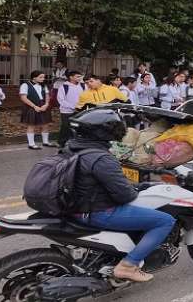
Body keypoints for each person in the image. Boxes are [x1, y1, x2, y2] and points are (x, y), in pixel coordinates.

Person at [68, 109, 175, 282]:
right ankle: (128, 265)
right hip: (96, 211)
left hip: (73, 207)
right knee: (165, 220)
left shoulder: (72, 148)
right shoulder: (102, 158)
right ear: (103, 132)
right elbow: (125, 195)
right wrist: (139, 189)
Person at [19, 70, 54, 150]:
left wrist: (46, 104)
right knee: (31, 125)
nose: (43, 79)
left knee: (45, 124)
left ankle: (46, 142)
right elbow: (23, 98)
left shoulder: (44, 85)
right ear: (34, 77)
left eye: (43, 77)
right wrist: (34, 106)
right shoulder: (25, 85)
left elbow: (47, 96)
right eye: (41, 77)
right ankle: (31, 144)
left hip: (43, 105)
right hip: (31, 106)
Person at [56, 70, 85, 147]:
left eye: (80, 76)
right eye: (77, 76)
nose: (79, 78)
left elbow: (86, 97)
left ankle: (75, 142)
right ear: (71, 77)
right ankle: (62, 142)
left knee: (78, 126)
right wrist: (73, 107)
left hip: (80, 110)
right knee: (66, 126)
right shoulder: (64, 87)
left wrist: (81, 107)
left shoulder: (83, 86)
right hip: (66, 111)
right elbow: (61, 100)